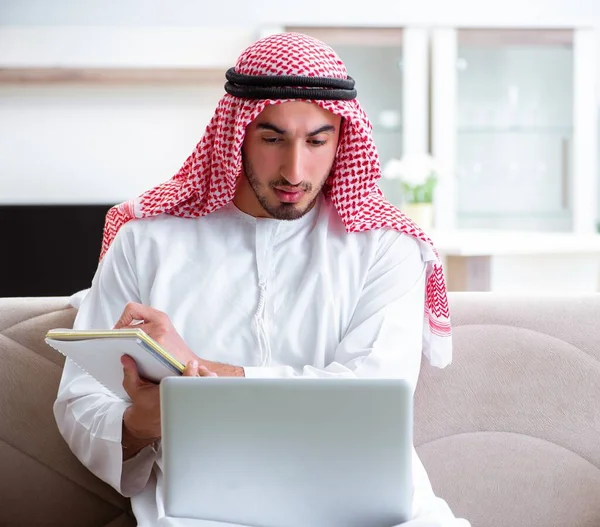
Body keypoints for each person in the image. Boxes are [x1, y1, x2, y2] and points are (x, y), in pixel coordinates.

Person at [54, 32, 469, 527]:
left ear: (344, 137)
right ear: (237, 133)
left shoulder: (385, 247)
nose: (295, 170)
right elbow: (80, 398)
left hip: (380, 514)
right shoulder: (147, 242)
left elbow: (368, 395)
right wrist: (141, 423)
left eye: (317, 140)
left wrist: (192, 376)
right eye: (272, 139)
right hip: (207, 515)